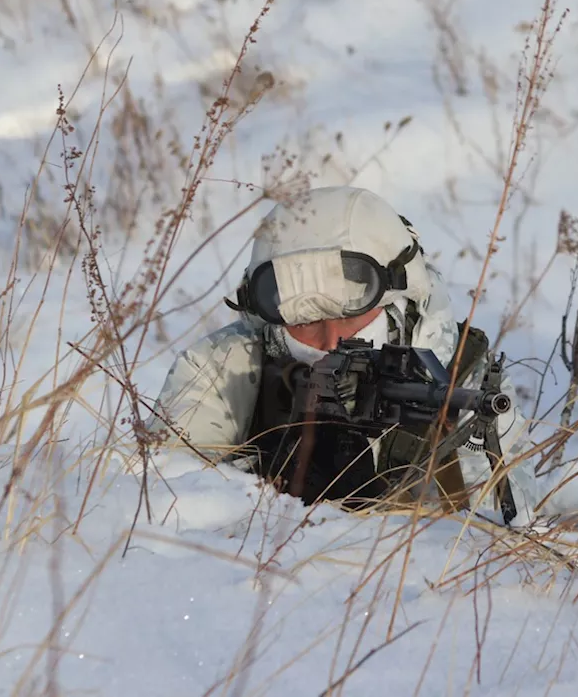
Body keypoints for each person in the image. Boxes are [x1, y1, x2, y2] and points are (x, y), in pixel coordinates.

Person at [148, 185, 536, 526]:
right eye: (307, 322)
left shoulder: (459, 376)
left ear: (401, 301)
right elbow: (159, 510)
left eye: (349, 317)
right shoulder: (224, 369)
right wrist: (263, 493)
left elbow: (490, 539)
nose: (332, 341)